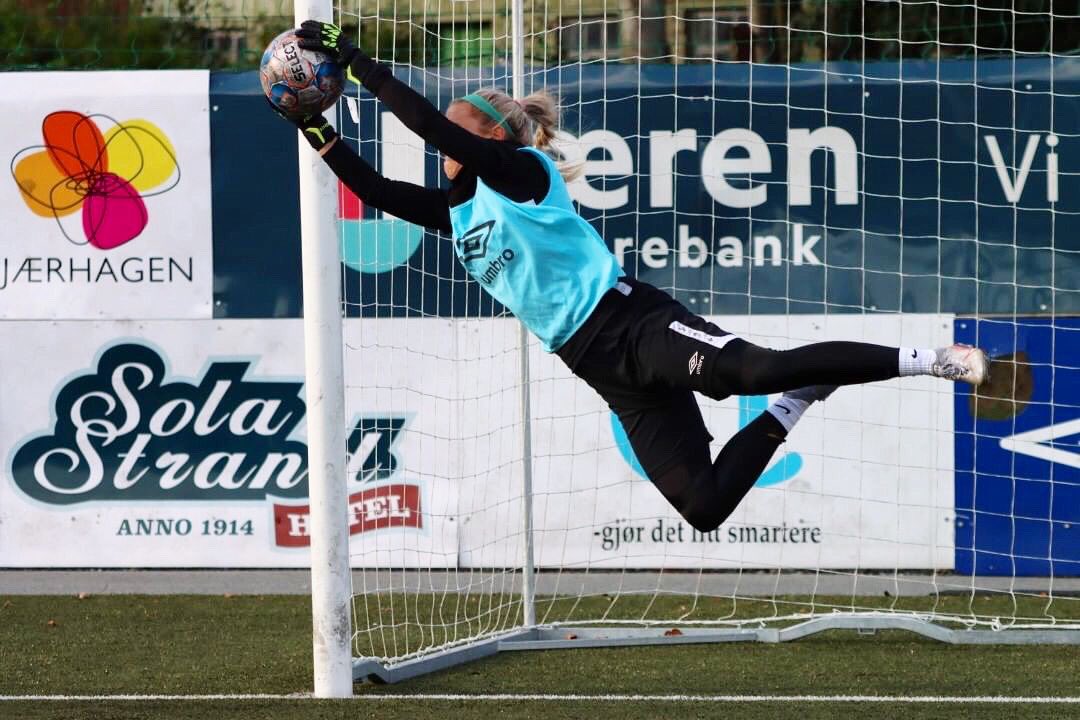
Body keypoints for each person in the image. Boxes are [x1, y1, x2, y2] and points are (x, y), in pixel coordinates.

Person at [276, 21, 989, 533]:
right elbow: (372, 189)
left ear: (490, 136)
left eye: (461, 130)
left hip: (630, 322)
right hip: (595, 364)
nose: (443, 149)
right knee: (703, 507)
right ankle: (795, 403)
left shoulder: (521, 174)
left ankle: (930, 362)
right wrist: (315, 126)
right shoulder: (456, 212)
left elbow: (436, 128)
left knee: (746, 369)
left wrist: (363, 68)